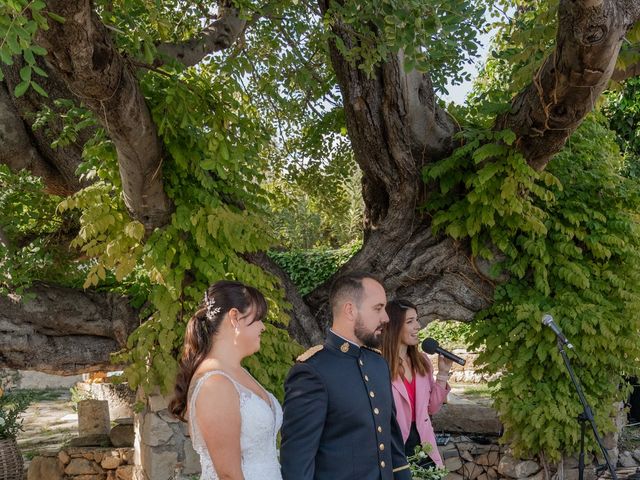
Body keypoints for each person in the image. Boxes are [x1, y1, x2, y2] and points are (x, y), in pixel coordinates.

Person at [280, 272, 412, 480]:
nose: (386, 318)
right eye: (378, 308)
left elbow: (393, 445)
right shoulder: (312, 372)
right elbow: (297, 464)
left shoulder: (378, 364)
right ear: (350, 310)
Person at [169, 280, 282, 480]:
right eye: (258, 319)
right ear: (234, 317)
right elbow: (229, 474)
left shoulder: (238, 372)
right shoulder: (215, 384)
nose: (263, 327)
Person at [380, 299, 452, 467]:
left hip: (423, 445)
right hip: (394, 446)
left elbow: (432, 408)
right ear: (394, 326)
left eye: (417, 320)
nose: (418, 326)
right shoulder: (378, 363)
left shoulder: (423, 361)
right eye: (410, 321)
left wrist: (443, 374)